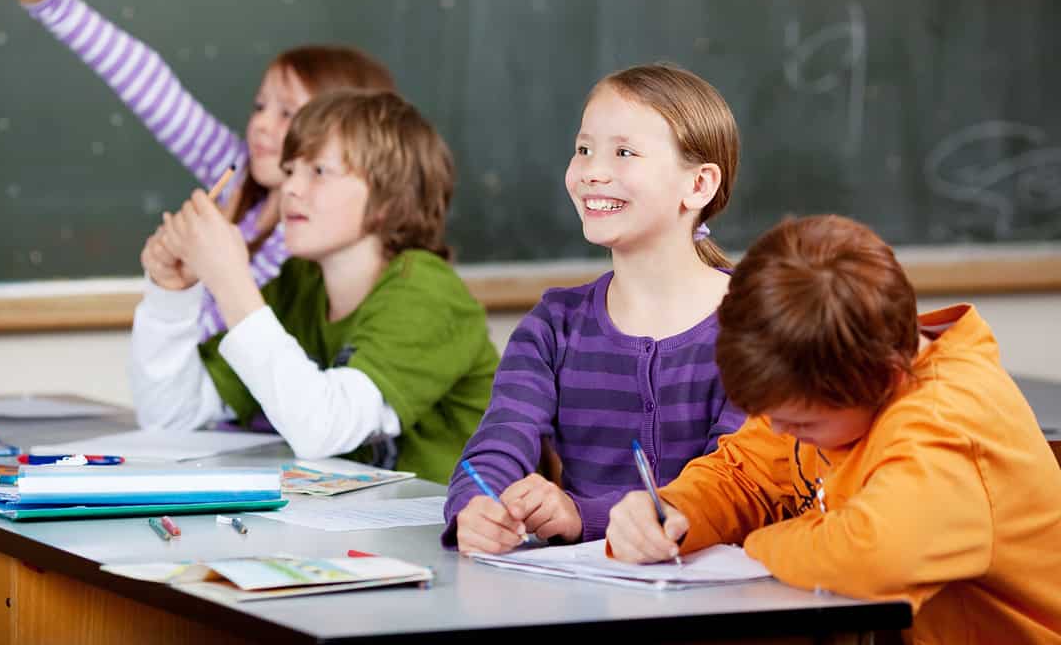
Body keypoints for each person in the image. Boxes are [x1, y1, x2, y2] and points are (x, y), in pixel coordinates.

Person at [605, 215, 1061, 645]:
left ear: (885, 377)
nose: (780, 431)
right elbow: (743, 474)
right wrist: (670, 511)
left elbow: (877, 554)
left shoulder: (945, 419)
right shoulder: (822, 376)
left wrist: (760, 544)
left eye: (801, 424)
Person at [14, 0, 395, 339]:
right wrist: (57, 8)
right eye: (260, 106)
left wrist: (174, 300)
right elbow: (151, 87)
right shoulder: (237, 169)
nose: (263, 124)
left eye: (288, 113)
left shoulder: (311, 235)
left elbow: (227, 337)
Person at [444, 64, 746, 552]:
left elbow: (734, 487)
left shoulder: (757, 326)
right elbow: (501, 440)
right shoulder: (553, 326)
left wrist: (581, 514)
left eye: (623, 152)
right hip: (588, 597)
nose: (591, 171)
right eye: (584, 149)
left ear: (699, 185)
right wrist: (475, 506)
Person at [131, 89, 500, 484]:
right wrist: (171, 296)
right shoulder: (300, 282)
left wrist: (230, 281)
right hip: (354, 528)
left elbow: (322, 428)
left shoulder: (428, 291)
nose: (290, 188)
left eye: (319, 172)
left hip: (450, 532)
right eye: (290, 170)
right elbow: (172, 416)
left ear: (389, 200)